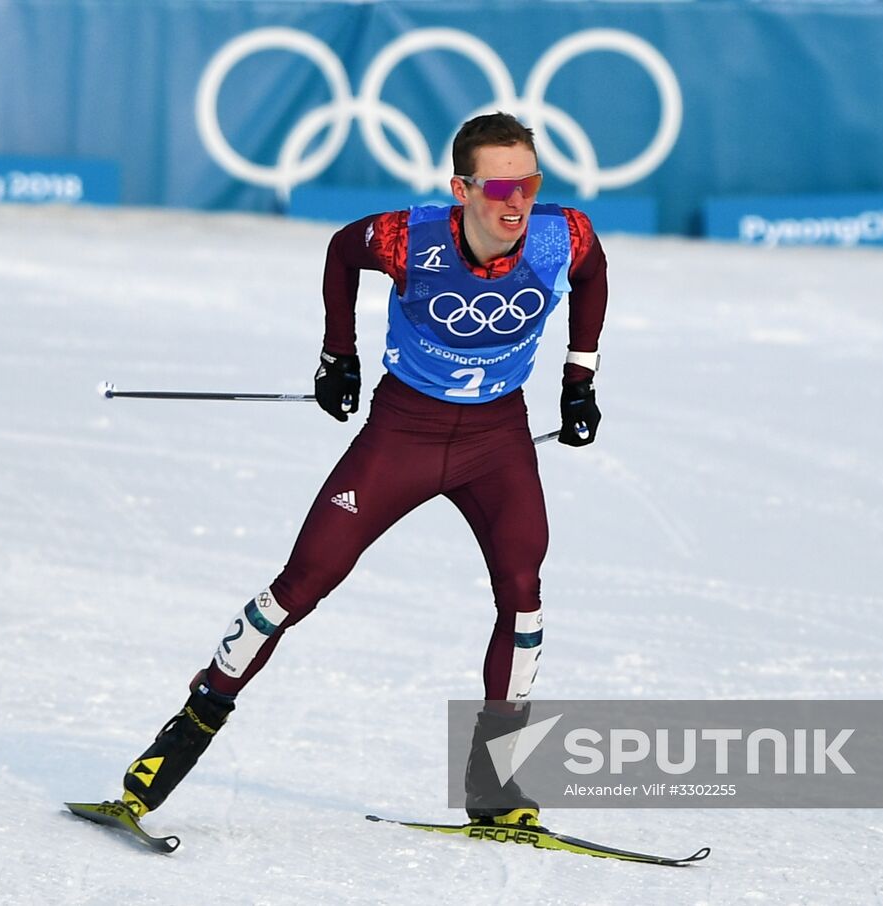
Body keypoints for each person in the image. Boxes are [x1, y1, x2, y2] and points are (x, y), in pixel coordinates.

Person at [116, 112, 608, 828]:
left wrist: (579, 379)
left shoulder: (565, 235)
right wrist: (336, 354)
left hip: (496, 440)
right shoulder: (410, 237)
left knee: (524, 594)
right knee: (301, 585)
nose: (516, 203)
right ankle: (175, 745)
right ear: (461, 188)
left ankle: (495, 789)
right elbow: (342, 252)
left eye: (528, 183)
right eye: (499, 186)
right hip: (403, 434)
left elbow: (592, 278)